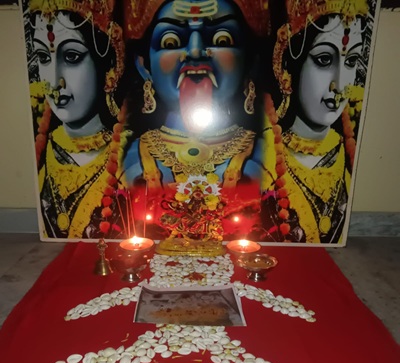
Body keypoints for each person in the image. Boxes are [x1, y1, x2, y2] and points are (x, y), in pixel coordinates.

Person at [122, 0, 269, 241]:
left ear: (250, 62)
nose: (195, 51)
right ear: (144, 65)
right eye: (171, 42)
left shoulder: (265, 156)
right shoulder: (130, 158)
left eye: (221, 40)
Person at [262, 0, 368, 243]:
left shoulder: (349, 154)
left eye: (351, 61)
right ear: (287, 66)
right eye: (324, 60)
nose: (339, 85)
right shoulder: (263, 161)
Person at [29, 0, 127, 239]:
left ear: (109, 66)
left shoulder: (132, 158)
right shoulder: (42, 153)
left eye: (71, 57)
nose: (54, 81)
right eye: (43, 56)